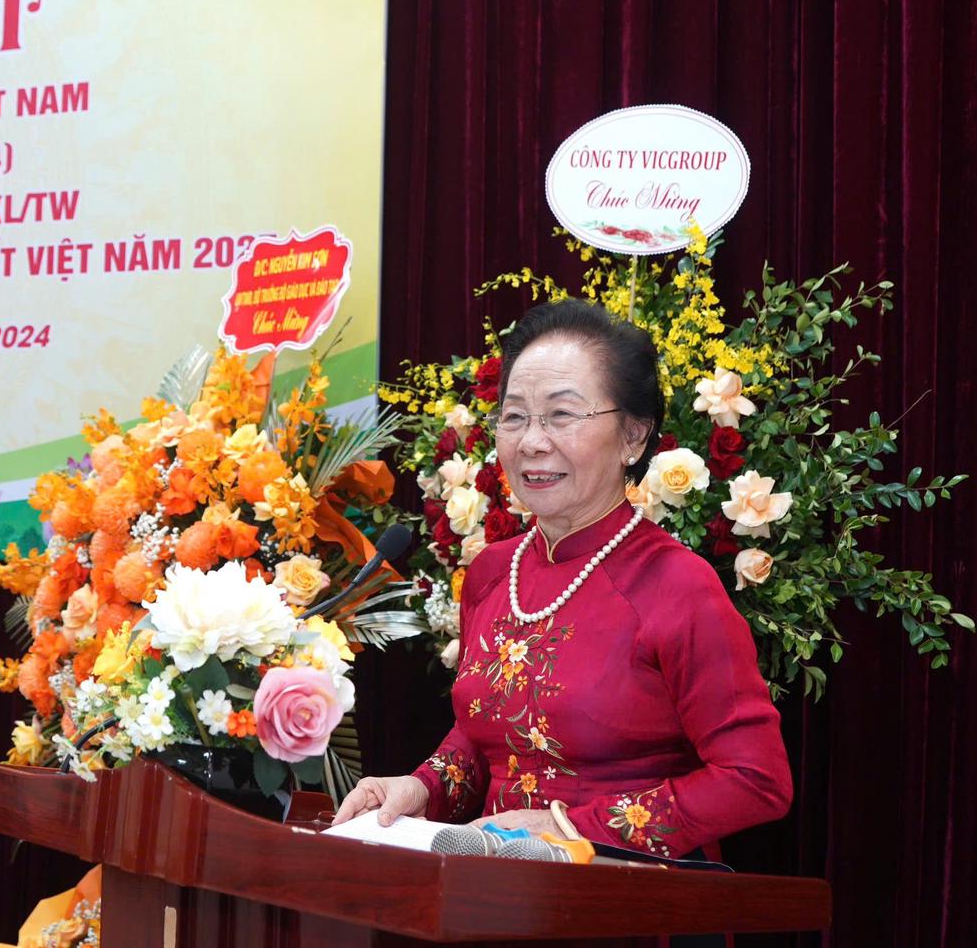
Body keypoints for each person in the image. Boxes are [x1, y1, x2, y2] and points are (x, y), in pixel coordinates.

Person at [331, 299, 791, 859]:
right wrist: (422, 787)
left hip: (631, 893)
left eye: (562, 414)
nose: (531, 441)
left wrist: (572, 828)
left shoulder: (678, 585)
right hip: (497, 888)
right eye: (515, 416)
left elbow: (755, 780)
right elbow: (483, 738)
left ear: (634, 436)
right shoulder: (492, 572)